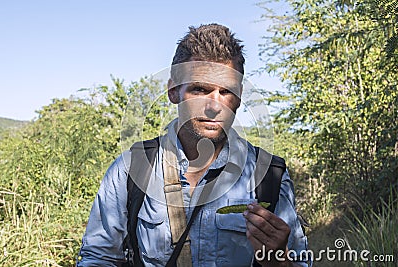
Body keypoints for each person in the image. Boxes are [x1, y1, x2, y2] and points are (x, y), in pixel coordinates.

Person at [77, 23, 310, 267]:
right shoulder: (131, 169)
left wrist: (279, 261)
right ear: (174, 91)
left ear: (239, 97)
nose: (214, 105)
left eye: (226, 92)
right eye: (200, 89)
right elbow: (98, 258)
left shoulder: (268, 175)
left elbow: (300, 261)